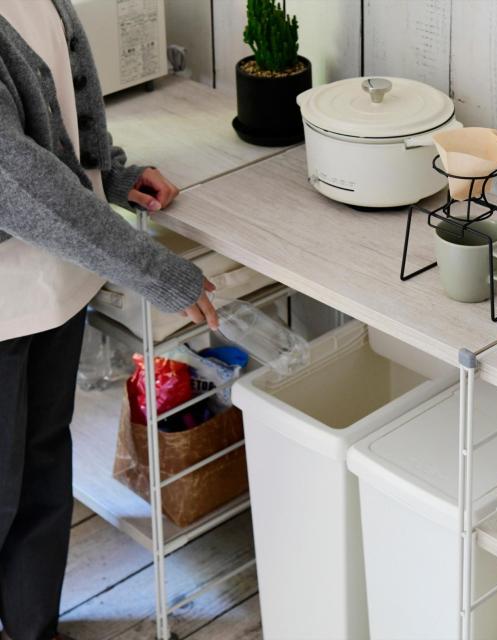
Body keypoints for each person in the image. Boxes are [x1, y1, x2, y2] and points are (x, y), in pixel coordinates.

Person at [0, 2, 219, 638]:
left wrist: (108, 175)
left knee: (42, 472)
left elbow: (55, 111)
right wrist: (150, 269)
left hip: (54, 287)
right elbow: (15, 179)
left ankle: (34, 630)